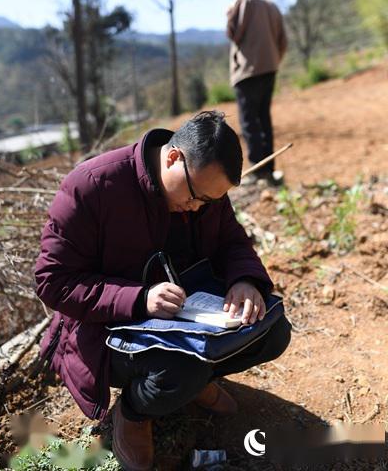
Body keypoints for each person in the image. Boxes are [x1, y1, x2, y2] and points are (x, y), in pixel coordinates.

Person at [35, 110, 291, 471]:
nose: (197, 207)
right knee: (181, 368)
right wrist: (139, 298)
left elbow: (231, 240)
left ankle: (200, 377)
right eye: (196, 197)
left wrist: (244, 281)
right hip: (104, 329)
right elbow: (52, 280)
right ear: (173, 157)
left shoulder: (203, 188)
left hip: (181, 315)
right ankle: (134, 414)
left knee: (272, 332)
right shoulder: (92, 185)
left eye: (210, 202)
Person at [226, 0, 288, 185]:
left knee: (249, 122)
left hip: (247, 72)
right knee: (264, 120)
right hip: (270, 69)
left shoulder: (242, 1)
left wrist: (229, 11)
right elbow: (283, 40)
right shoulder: (271, 4)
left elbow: (233, 32)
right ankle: (269, 170)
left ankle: (257, 171)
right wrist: (273, 60)